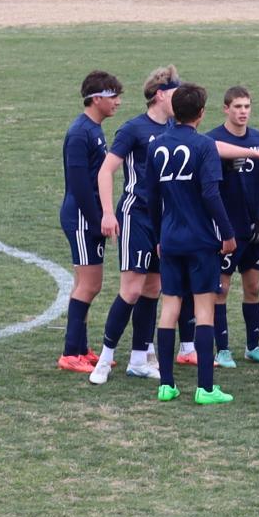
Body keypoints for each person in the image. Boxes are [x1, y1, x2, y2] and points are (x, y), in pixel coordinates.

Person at [144, 83, 237, 405]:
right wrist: (227, 234)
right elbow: (211, 194)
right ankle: (205, 388)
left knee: (168, 308)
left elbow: (151, 199)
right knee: (203, 310)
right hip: (200, 242)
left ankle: (166, 384)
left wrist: (157, 236)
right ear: (201, 113)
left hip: (170, 239)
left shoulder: (156, 146)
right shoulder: (204, 146)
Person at [91, 65, 179, 384]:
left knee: (152, 288)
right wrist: (107, 213)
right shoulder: (133, 130)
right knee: (130, 289)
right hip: (136, 215)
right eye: (174, 93)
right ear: (159, 95)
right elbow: (105, 171)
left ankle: (139, 358)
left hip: (163, 220)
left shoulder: (175, 128)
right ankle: (105, 358)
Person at [57, 70, 121, 372]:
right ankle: (71, 353)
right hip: (83, 218)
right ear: (97, 99)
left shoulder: (93, 128)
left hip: (87, 216)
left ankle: (80, 347)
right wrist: (98, 222)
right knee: (90, 285)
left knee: (84, 284)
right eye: (113, 97)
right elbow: (80, 186)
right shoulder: (81, 133)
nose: (118, 103)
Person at [209, 85, 259, 367]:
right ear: (226, 109)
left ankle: (253, 346)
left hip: (252, 230)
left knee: (254, 287)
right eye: (237, 107)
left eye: (246, 106)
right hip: (225, 230)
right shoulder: (212, 140)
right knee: (221, 289)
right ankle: (222, 349)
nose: (242, 112)